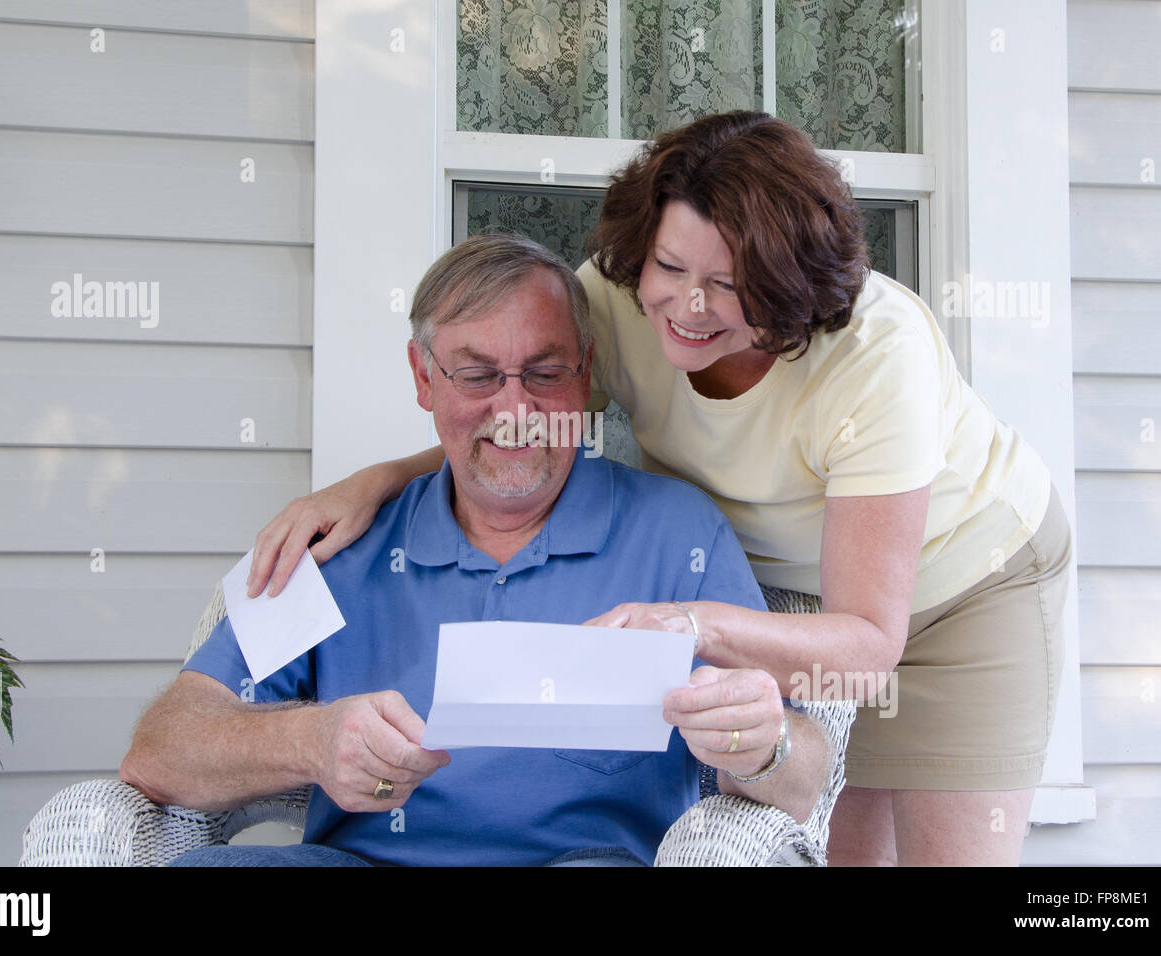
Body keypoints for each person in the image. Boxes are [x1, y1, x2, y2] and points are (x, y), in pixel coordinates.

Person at [244, 112, 1073, 867]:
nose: (689, 306)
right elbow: (512, 412)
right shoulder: (611, 299)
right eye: (670, 266)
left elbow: (865, 646)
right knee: (846, 853)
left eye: (731, 281)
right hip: (781, 578)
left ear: (787, 280)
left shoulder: (876, 354)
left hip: (959, 585)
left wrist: (688, 621)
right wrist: (374, 482)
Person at [120, 233, 832, 867]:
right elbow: (160, 749)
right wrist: (308, 740)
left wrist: (762, 742)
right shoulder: (337, 544)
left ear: (586, 374)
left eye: (545, 373)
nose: (515, 410)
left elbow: (805, 778)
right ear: (423, 376)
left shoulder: (676, 533)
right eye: (478, 374)